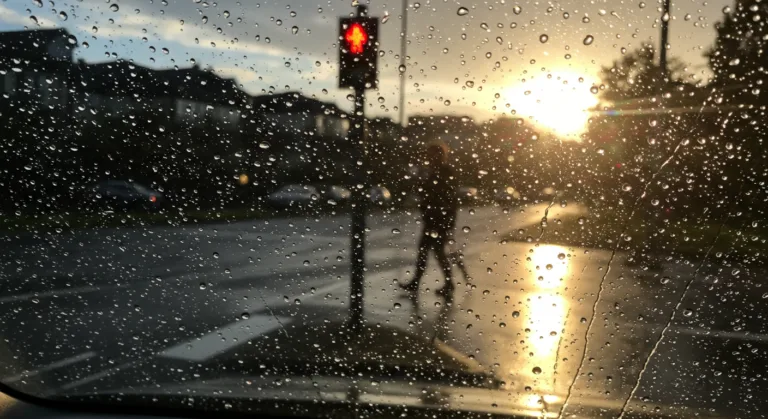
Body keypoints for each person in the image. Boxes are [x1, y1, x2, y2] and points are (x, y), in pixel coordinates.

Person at [400, 142, 459, 296]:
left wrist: (449, 221)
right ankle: (420, 282)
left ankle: (447, 284)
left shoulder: (444, 172)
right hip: (432, 219)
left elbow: (448, 197)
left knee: (435, 251)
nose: (428, 157)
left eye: (430, 155)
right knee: (426, 251)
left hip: (439, 220)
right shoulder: (434, 172)